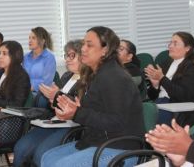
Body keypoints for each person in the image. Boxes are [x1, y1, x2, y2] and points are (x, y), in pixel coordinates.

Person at [41, 26, 145, 167]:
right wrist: (72, 111)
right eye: (84, 43)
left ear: (105, 50)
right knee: (47, 158)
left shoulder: (114, 77)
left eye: (89, 45)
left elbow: (117, 122)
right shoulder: (95, 74)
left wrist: (77, 113)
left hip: (120, 148)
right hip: (97, 141)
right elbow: (94, 112)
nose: (83, 48)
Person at [13, 39, 85, 167]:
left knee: (41, 154)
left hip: (72, 126)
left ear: (84, 56)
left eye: (71, 56)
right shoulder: (67, 76)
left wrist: (58, 97)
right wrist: (52, 100)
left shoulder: (89, 79)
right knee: (21, 147)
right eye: (66, 55)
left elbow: (81, 105)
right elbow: (53, 103)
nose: (67, 59)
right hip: (55, 121)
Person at [145, 31, 194, 126]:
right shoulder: (167, 63)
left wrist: (162, 78)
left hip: (180, 110)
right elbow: (152, 96)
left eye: (175, 43)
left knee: (146, 123)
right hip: (161, 104)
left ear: (187, 48)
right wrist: (155, 85)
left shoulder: (193, 67)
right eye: (170, 43)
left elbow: (183, 95)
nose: (170, 46)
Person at [23, 26, 56, 107]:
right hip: (25, 91)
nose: (29, 41)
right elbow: (21, 76)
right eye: (29, 38)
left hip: (40, 93)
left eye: (33, 38)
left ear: (42, 41)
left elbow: (47, 82)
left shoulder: (49, 57)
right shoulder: (25, 57)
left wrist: (31, 87)